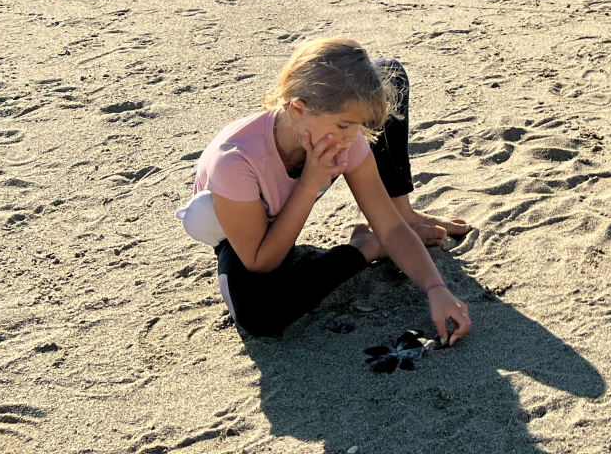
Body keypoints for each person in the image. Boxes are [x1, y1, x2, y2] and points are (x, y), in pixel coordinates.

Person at [177, 37, 472, 341]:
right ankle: (365, 246)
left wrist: (437, 290)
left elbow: (390, 226)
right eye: (344, 126)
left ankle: (401, 212)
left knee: (388, 75)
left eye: (355, 127)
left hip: (294, 187)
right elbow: (260, 260)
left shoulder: (338, 137)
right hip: (241, 232)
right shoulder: (234, 161)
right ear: (298, 109)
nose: (353, 137)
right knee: (258, 314)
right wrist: (309, 182)